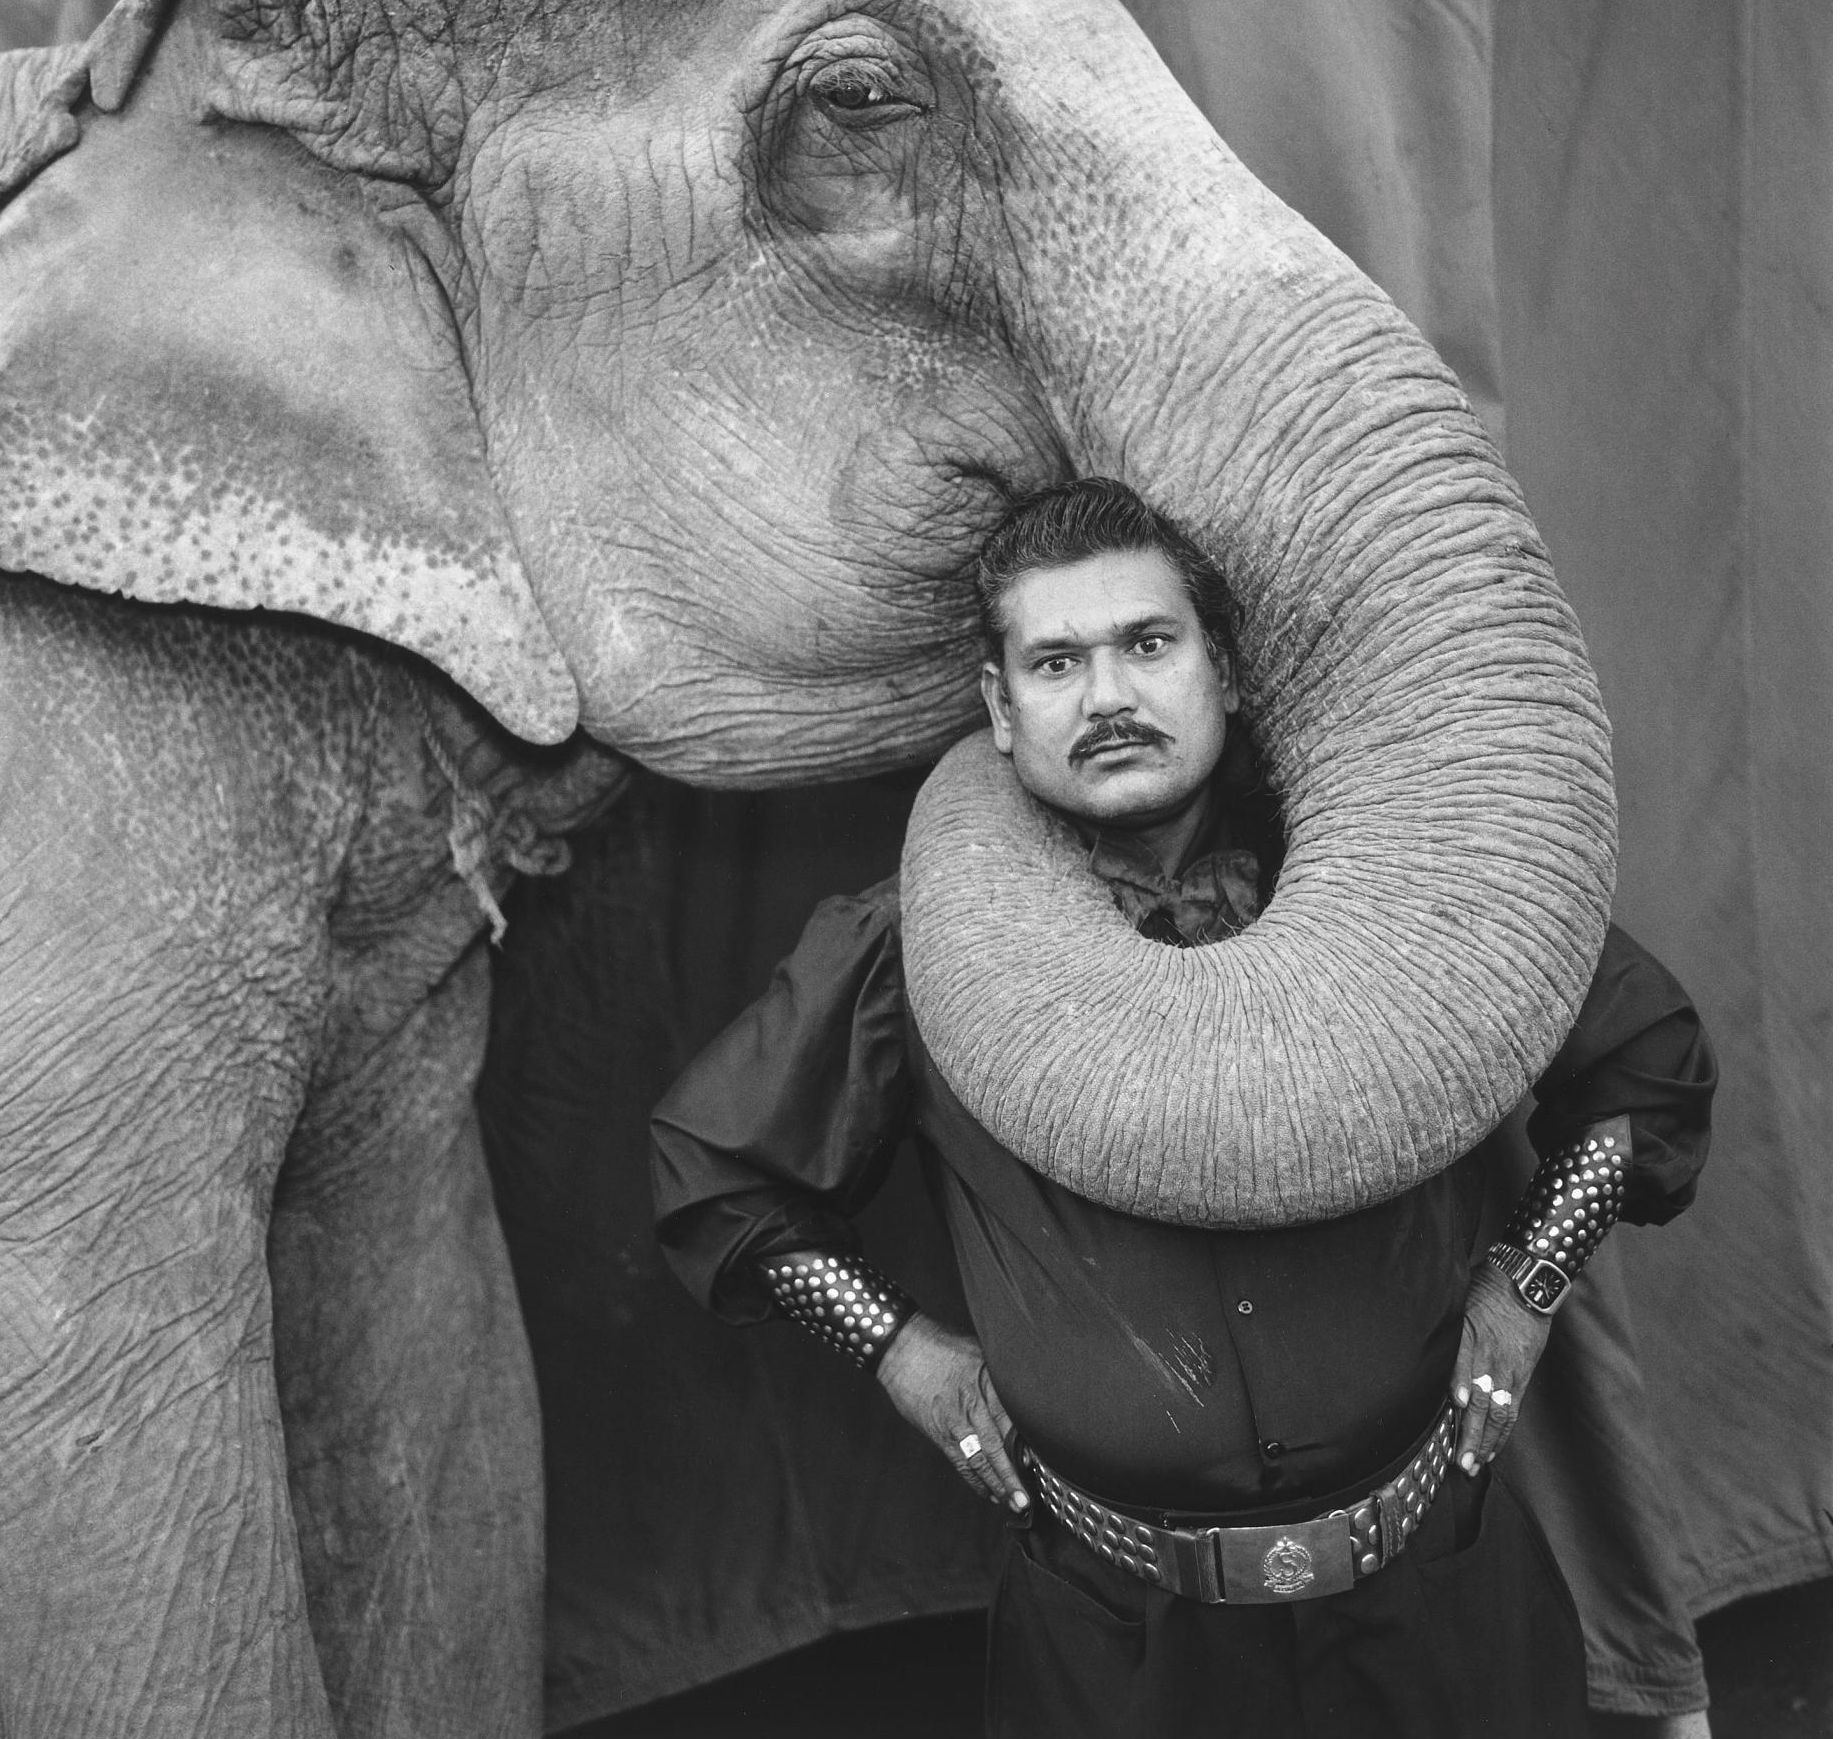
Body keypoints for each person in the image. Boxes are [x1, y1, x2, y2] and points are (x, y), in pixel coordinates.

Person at [650, 478, 1717, 1739]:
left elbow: (1643, 1061)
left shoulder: (1399, 880)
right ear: (999, 709)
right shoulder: (923, 945)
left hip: (1438, 1608)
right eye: (1054, 661)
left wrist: (1529, 1280)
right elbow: (712, 1175)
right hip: (1120, 1658)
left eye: (1145, 644)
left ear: (1223, 670)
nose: (1105, 696)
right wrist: (900, 1350)